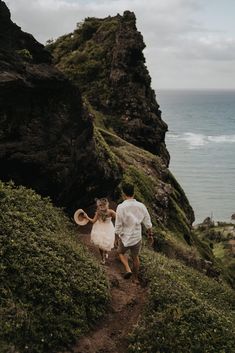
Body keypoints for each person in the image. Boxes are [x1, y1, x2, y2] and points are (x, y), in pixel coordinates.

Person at [115, 183, 153, 281]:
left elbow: (118, 224)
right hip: (136, 237)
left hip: (124, 237)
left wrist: (116, 237)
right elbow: (147, 222)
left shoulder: (121, 207)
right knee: (135, 257)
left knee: (121, 253)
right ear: (134, 193)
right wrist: (150, 235)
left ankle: (128, 269)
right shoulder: (141, 206)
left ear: (123, 194)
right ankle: (135, 278)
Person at [85, 198, 116, 264]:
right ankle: (103, 258)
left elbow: (118, 219)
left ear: (107, 205)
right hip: (99, 228)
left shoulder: (111, 212)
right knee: (100, 243)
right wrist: (87, 217)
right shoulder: (98, 213)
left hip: (108, 228)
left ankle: (105, 253)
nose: (102, 207)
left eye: (103, 205)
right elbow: (93, 221)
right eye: (101, 205)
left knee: (106, 242)